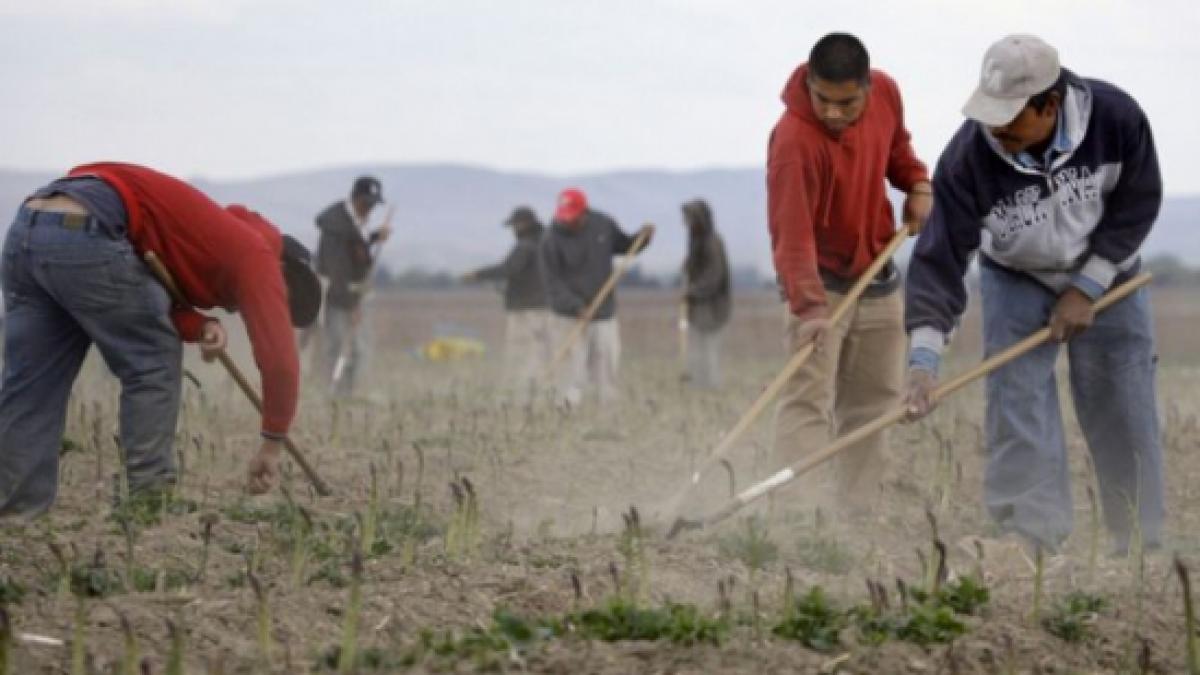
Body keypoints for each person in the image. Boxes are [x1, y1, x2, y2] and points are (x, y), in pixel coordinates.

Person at [904, 35, 1164, 556]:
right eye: (989, 115)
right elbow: (939, 262)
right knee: (1016, 400)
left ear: (1049, 104)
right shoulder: (967, 158)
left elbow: (1138, 204)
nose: (996, 130)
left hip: (1110, 274)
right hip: (1016, 276)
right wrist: (924, 360)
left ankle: (1138, 541)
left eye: (1009, 118)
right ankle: (1031, 538)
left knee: (1122, 401)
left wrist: (1087, 287)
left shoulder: (1116, 118)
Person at [0, 162, 322, 517]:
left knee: (33, 384)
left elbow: (148, 282)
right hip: (90, 228)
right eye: (282, 299)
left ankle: (17, 511)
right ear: (283, 273)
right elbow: (280, 360)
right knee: (153, 362)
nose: (268, 305)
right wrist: (273, 442)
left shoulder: (213, 234)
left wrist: (198, 326)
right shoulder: (258, 254)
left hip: (29, 227)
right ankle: (149, 500)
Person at [766, 33, 932, 512]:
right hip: (819, 289)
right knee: (807, 402)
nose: (833, 112)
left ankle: (858, 516)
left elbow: (898, 151)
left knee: (873, 405)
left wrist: (918, 183)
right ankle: (799, 517)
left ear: (867, 87)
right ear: (809, 84)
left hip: (877, 276)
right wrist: (810, 310)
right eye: (823, 100)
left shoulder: (888, 93)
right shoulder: (794, 142)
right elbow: (790, 234)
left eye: (846, 102)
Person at [539, 188, 653, 407]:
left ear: (584, 212)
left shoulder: (603, 224)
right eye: (565, 217)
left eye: (573, 218)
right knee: (571, 367)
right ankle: (565, 408)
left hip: (603, 312)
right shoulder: (550, 239)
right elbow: (552, 283)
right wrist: (575, 306)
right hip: (568, 316)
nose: (568, 222)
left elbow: (626, 246)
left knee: (606, 363)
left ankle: (606, 408)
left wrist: (643, 238)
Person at [461, 206, 552, 399]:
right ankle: (539, 389)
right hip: (543, 307)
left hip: (526, 310)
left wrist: (477, 275)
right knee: (540, 351)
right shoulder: (545, 243)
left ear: (524, 224)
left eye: (515, 225)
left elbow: (509, 269)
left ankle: (525, 391)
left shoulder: (526, 246)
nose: (513, 230)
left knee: (523, 352)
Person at [313, 176, 391, 397]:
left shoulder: (354, 222)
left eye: (374, 205)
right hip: (339, 296)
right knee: (337, 347)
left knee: (357, 349)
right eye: (367, 203)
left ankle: (347, 394)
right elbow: (336, 269)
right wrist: (351, 305)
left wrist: (375, 237)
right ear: (355, 198)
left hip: (355, 295)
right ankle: (334, 395)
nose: (370, 209)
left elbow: (357, 247)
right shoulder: (336, 227)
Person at [679, 199, 731, 388]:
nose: (685, 223)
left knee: (708, 348)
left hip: (712, 307)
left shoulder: (712, 242)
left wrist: (692, 291)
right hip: (699, 307)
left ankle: (711, 385)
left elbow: (714, 276)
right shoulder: (697, 240)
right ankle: (699, 383)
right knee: (698, 347)